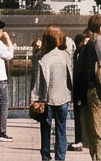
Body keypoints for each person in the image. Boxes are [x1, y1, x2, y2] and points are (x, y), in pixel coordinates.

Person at [70, 17, 101, 161]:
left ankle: (98, 155)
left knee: (97, 128)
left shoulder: (92, 45)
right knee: (99, 127)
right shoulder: (97, 43)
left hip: (92, 91)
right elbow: (100, 69)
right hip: (95, 91)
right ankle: (99, 157)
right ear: (100, 29)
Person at [32, 27, 73, 161]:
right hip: (63, 97)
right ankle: (60, 157)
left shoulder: (41, 57)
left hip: (46, 99)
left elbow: (38, 81)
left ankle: (46, 156)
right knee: (61, 129)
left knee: (45, 129)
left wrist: (35, 99)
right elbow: (70, 77)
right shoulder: (65, 55)